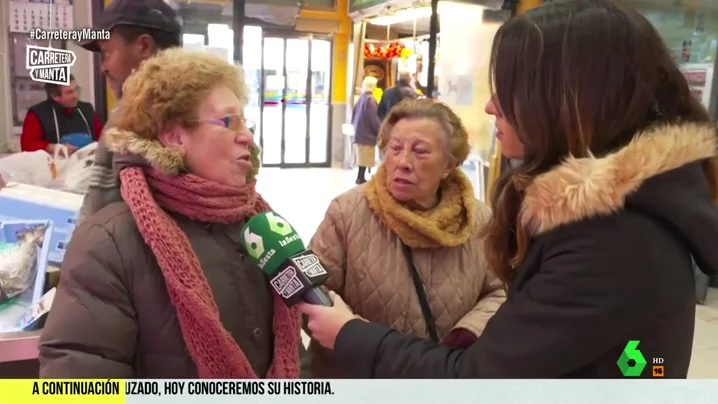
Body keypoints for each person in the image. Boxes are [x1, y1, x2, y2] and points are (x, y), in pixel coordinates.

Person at [299, 0, 718, 378]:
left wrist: (355, 335)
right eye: (395, 148)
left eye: (510, 88)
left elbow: (480, 378)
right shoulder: (350, 212)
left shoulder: (611, 240)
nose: (490, 105)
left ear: (565, 98)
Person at [38, 48, 301, 378]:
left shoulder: (260, 226)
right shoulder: (108, 243)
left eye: (245, 121)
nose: (246, 136)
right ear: (175, 136)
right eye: (229, 121)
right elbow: (79, 378)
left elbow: (294, 352)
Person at [305, 98, 505, 378]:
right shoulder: (347, 213)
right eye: (395, 148)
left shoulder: (479, 220)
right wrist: (356, 338)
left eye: (420, 151)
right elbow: (312, 290)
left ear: (449, 165)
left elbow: (499, 291)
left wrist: (467, 334)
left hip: (440, 377)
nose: (402, 162)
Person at [77, 0, 181, 222]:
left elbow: (94, 221)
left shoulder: (129, 124)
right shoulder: (209, 108)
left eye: (107, 54)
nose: (102, 67)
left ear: (143, 46)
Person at [20, 75, 103, 154]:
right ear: (55, 96)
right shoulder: (37, 114)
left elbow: (102, 137)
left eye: (76, 89)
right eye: (69, 92)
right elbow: (27, 145)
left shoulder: (87, 109)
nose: (76, 96)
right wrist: (54, 148)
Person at [352, 76, 381, 184]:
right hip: (367, 134)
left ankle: (360, 177)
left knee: (361, 158)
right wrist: (379, 130)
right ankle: (360, 178)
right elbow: (373, 118)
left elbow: (354, 114)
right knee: (365, 158)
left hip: (359, 132)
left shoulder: (361, 98)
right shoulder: (370, 99)